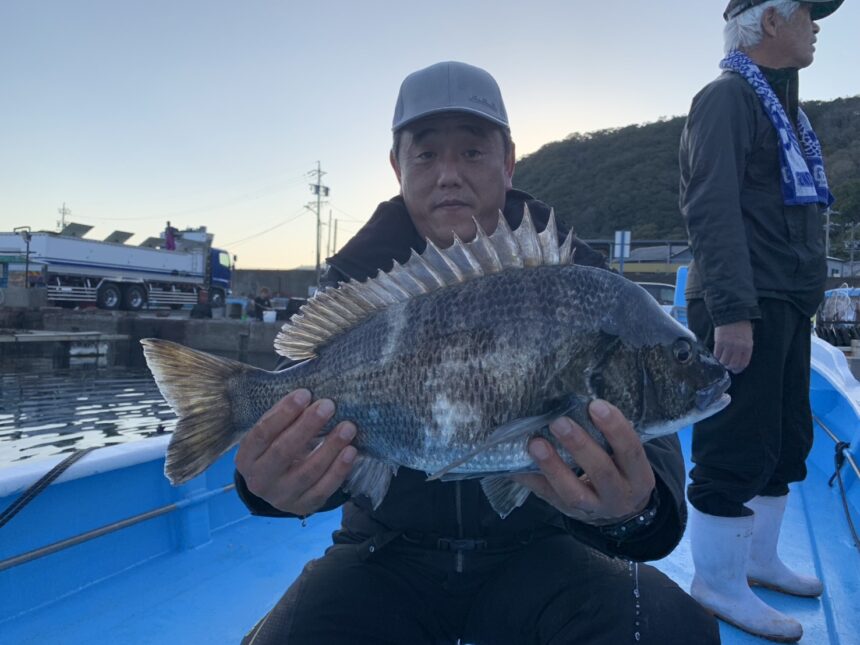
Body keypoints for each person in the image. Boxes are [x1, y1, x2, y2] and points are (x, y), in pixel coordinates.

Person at [235, 61, 719, 644]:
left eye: (472, 151)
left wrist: (636, 512)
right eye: (425, 154)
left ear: (508, 162)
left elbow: (653, 479)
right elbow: (311, 438)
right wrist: (266, 489)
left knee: (672, 630)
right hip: (384, 556)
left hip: (548, 550)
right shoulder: (355, 286)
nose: (449, 175)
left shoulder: (582, 282)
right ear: (397, 167)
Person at [679, 1, 841, 641]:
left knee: (787, 437)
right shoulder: (725, 99)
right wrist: (732, 313)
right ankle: (716, 582)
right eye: (807, 13)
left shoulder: (789, 112)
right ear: (771, 22)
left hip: (788, 302)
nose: (816, 26)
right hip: (744, 302)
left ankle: (758, 559)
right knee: (734, 443)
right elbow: (710, 206)